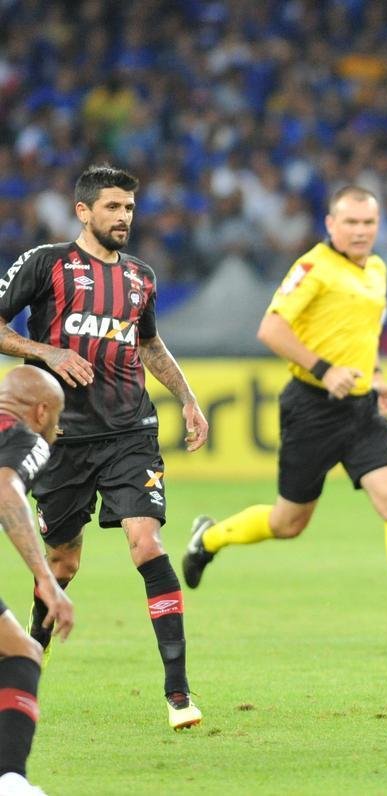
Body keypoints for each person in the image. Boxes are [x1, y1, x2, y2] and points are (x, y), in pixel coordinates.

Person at [181, 186, 387, 651]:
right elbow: (271, 328)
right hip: (312, 407)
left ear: (378, 226)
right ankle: (209, 538)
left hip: (360, 408)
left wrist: (374, 376)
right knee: (287, 523)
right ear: (331, 224)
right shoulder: (313, 267)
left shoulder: (377, 269)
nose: (360, 231)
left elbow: (363, 333)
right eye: (350, 222)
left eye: (368, 223)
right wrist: (325, 370)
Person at [0, 164, 208, 731]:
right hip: (62, 439)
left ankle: (178, 693)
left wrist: (188, 399)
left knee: (147, 543)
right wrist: (47, 352)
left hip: (129, 432)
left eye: (129, 208)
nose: (123, 217)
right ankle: (32, 659)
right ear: (83, 211)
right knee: (63, 562)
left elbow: (150, 344)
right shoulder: (47, 263)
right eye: (112, 207)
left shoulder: (141, 276)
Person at [0, 367, 73, 795]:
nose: (57, 431)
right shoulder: (22, 436)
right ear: (42, 411)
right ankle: (11, 782)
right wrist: (45, 578)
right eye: (57, 418)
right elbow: (6, 491)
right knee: (22, 653)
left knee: (19, 647)